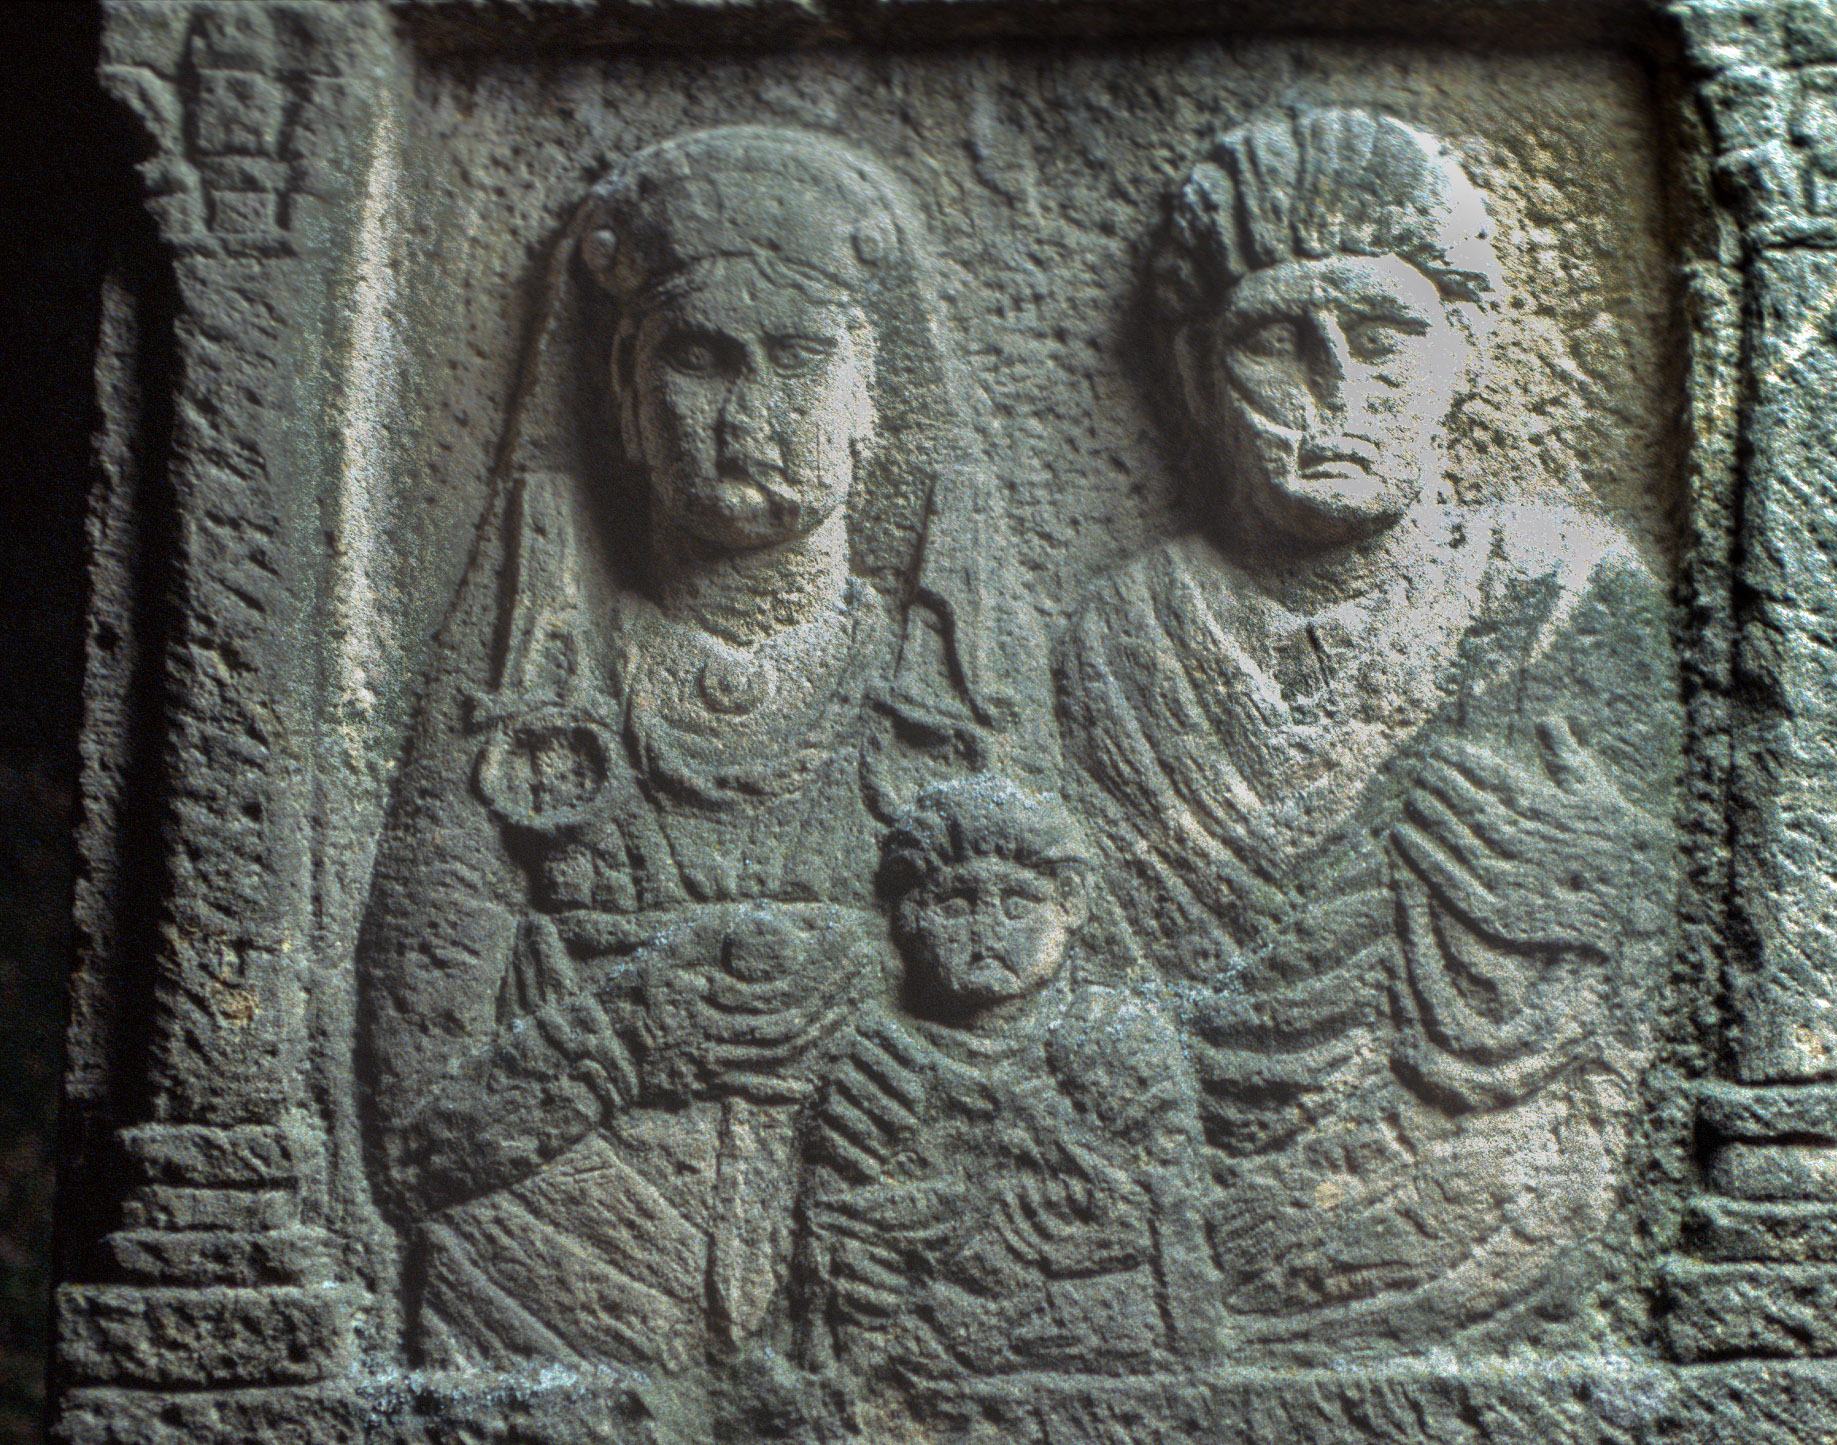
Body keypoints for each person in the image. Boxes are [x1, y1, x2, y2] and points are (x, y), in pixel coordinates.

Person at [358, 127, 1037, 1393]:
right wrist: (635, 1024)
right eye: (698, 358)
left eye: (799, 358)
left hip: (896, 1306)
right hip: (546, 1295)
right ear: (625, 394)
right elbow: (411, 1136)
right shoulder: (528, 699)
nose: (747, 413)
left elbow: (1065, 1072)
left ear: (870, 397)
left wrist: (875, 994)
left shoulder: (943, 700)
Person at [1055, 104, 1677, 1354]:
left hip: (1479, 1176)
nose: (1331, 390)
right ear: (1193, 373)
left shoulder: (1554, 591)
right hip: (1163, 1181)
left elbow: (1650, 935)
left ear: (1464, 350)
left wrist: (1610, 881)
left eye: (1383, 338)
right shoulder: (1125, 634)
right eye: (1273, 341)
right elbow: (1080, 979)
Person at [797, 776, 1223, 1424]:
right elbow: (830, 1252)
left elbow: (1175, 1223)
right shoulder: (880, 1066)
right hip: (920, 1368)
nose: (987, 928)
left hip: (1104, 1357)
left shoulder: (1116, 1041)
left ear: (1070, 907)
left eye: (1018, 903)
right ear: (908, 917)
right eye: (955, 903)